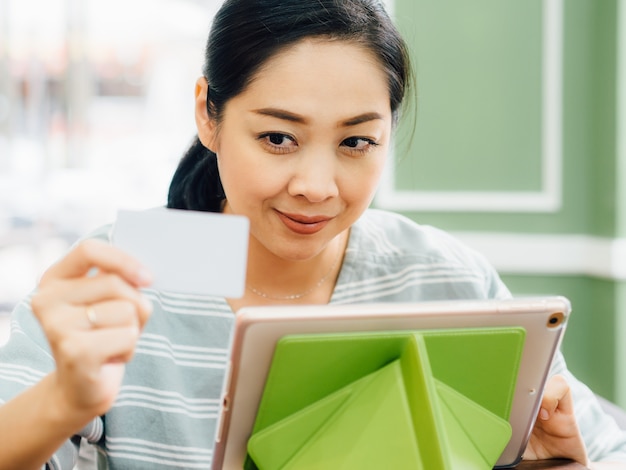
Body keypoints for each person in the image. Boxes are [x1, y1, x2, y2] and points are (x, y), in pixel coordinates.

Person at [0, 0, 625, 468]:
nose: (317, 186)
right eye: (277, 138)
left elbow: (599, 444)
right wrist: (63, 400)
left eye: (356, 142)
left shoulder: (445, 276)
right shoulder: (132, 269)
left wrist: (561, 464)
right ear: (207, 115)